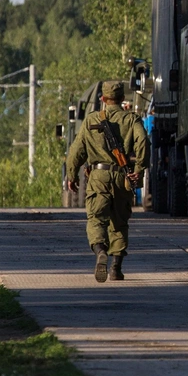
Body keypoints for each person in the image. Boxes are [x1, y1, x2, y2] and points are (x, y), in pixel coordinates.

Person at [66, 81, 148, 283]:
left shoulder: (91, 120)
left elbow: (76, 151)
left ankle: (100, 250)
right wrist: (139, 169)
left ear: (102, 99)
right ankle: (115, 268)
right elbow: (143, 141)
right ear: (122, 99)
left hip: (98, 177)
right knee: (119, 222)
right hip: (122, 177)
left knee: (96, 219)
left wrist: (72, 174)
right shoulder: (131, 119)